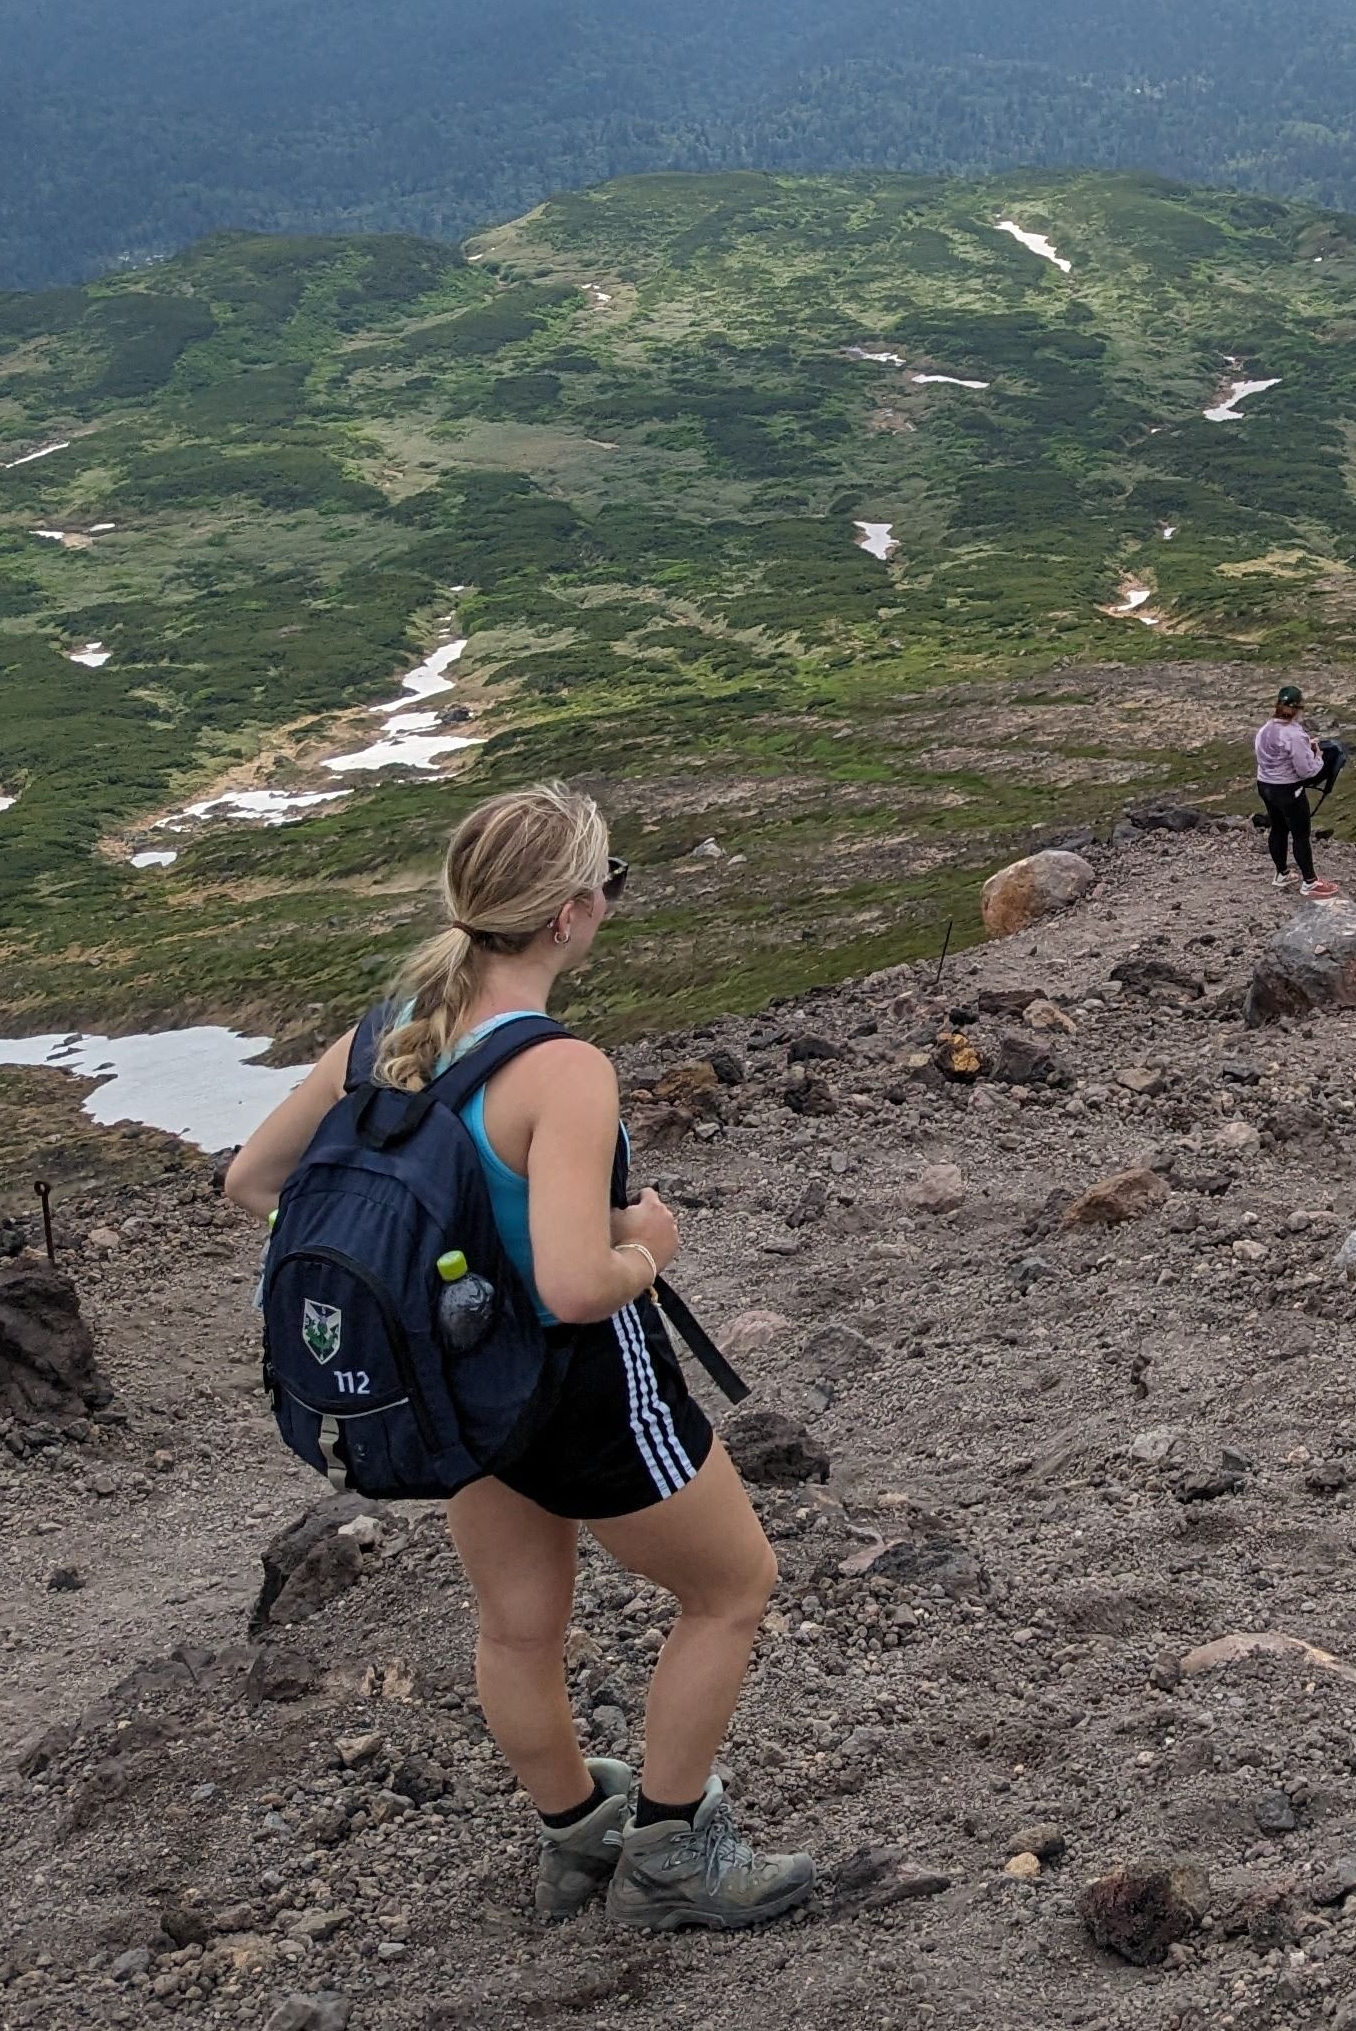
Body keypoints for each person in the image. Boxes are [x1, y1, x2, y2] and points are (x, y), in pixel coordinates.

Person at [222, 785, 812, 1933]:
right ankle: (673, 1857)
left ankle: (574, 1839)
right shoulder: (562, 1069)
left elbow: (252, 1184)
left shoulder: (385, 1028)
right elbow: (576, 1285)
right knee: (732, 1587)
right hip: (581, 1388)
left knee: (516, 1626)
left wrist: (426, 1272)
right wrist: (650, 1247)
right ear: (572, 912)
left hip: (453, 1382)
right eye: (610, 883)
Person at [1253, 685, 1323, 887]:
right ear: (1299, 709)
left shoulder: (1265, 729)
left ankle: (1281, 874)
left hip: (1265, 784)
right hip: (1288, 789)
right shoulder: (1295, 735)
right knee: (1301, 835)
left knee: (1278, 828)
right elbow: (1306, 770)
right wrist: (1317, 756)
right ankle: (1310, 882)